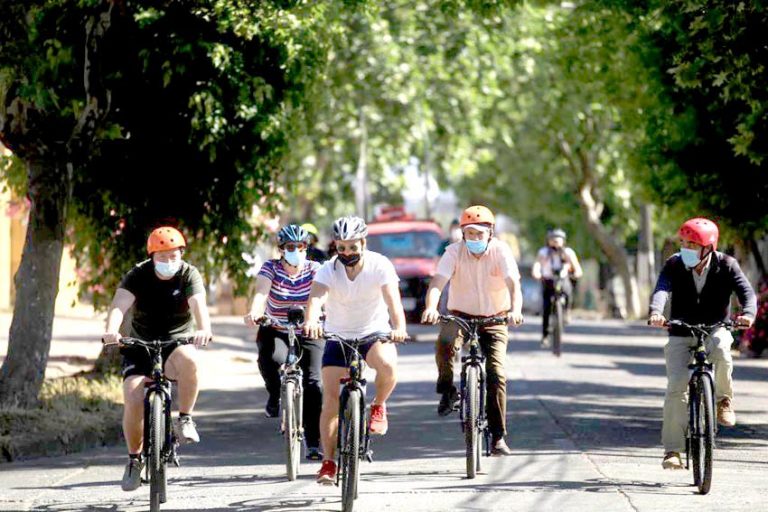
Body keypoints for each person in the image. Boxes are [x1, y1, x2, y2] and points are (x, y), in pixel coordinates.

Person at [102, 226, 213, 492]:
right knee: (132, 395)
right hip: (141, 343)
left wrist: (204, 329)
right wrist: (111, 330)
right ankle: (134, 460)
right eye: (162, 257)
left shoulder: (189, 274)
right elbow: (119, 304)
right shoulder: (138, 274)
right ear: (151, 256)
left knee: (191, 361)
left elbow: (199, 304)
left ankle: (184, 418)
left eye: (173, 256)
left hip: (176, 341)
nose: (168, 262)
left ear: (182, 254)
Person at [303, 215, 408, 484]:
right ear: (335, 246)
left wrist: (398, 327)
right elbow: (316, 297)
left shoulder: (379, 265)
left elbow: (393, 300)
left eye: (352, 247)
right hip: (338, 336)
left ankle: (379, 406)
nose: (347, 253)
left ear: (363, 242)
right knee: (329, 402)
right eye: (342, 247)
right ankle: (328, 462)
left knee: (387, 364)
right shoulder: (328, 268)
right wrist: (312, 321)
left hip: (372, 333)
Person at [648, 217, 756, 470]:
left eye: (692, 244)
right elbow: (662, 289)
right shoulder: (674, 264)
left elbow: (746, 293)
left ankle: (723, 401)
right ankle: (673, 451)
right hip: (680, 331)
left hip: (715, 328)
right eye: (683, 243)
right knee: (676, 387)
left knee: (720, 348)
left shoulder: (727, 265)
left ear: (708, 247)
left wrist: (748, 314)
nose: (686, 248)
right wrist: (656, 312)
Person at [421, 205, 524, 456]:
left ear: (490, 232)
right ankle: (447, 391)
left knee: (496, 373)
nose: (475, 238)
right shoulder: (453, 252)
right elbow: (438, 282)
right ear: (462, 234)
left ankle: (498, 437)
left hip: (496, 318)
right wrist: (431, 307)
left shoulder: (501, 251)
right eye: (469, 233)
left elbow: (513, 284)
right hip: (460, 316)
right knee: (445, 342)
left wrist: (515, 310)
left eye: (480, 233)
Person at [243, 224, 325, 460]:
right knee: (271, 359)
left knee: (313, 383)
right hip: (276, 327)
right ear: (281, 249)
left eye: (300, 247)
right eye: (290, 247)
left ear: (306, 248)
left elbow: (320, 296)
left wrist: (316, 319)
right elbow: (261, 293)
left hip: (310, 329)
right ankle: (274, 394)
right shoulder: (271, 267)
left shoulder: (315, 269)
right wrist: (255, 312)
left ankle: (313, 442)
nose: (296, 251)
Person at [531, 228, 583, 346]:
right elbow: (537, 264)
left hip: (562, 279)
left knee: (568, 290)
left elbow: (577, 268)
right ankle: (545, 335)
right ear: (548, 241)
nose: (555, 242)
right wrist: (536, 273)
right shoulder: (543, 252)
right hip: (548, 280)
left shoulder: (568, 252)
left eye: (557, 240)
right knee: (546, 307)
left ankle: (567, 311)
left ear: (563, 241)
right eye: (552, 240)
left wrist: (576, 273)